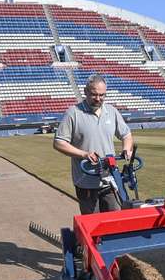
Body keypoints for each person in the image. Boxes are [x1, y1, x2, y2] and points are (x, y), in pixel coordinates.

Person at [53, 75, 133, 214]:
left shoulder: (111, 111)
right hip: (86, 182)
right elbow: (59, 142)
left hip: (110, 180)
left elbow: (126, 135)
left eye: (102, 95)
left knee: (116, 219)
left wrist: (127, 149)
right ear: (85, 91)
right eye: (94, 94)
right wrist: (84, 154)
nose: (98, 99)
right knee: (93, 223)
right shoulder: (74, 113)